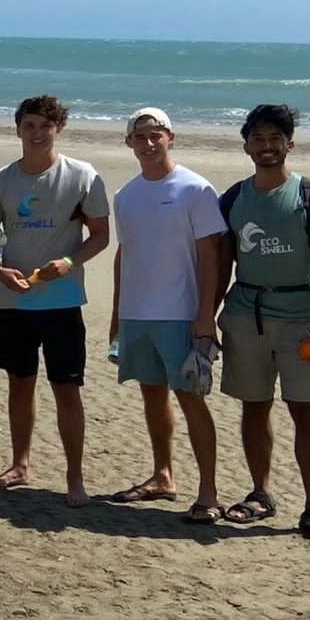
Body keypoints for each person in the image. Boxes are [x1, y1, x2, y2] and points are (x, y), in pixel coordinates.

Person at [214, 104, 310, 546]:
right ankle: (260, 493)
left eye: (276, 139)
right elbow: (220, 266)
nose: (266, 147)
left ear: (290, 144)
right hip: (244, 314)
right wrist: (206, 319)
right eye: (258, 139)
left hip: (299, 320)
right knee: (254, 406)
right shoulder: (233, 199)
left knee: (307, 410)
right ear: (246, 145)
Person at [0, 95, 111, 506]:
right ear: (18, 129)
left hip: (61, 302)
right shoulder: (1, 180)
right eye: (30, 125)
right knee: (20, 384)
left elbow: (101, 235)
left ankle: (75, 478)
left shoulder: (82, 176)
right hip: (12, 303)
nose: (37, 133)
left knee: (66, 388)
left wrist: (69, 261)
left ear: (58, 129)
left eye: (45, 126)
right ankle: (20, 464)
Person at [104, 108, 226, 521]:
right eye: (140, 136)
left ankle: (208, 492)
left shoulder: (195, 189)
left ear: (170, 137)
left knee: (191, 398)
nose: (149, 142)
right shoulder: (125, 195)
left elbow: (211, 255)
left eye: (156, 134)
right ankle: (163, 475)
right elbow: (126, 253)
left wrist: (205, 314)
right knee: (151, 394)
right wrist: (118, 313)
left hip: (180, 313)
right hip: (138, 313)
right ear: (129, 143)